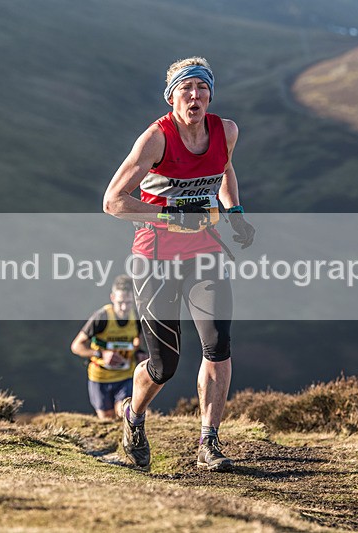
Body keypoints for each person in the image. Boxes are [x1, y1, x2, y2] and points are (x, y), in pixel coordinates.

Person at [103, 57, 255, 471]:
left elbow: (224, 167)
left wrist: (235, 212)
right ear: (171, 97)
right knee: (163, 365)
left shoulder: (226, 131)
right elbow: (113, 202)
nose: (194, 95)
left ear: (210, 95)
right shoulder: (156, 139)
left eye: (202, 88)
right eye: (186, 88)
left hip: (206, 253)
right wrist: (171, 215)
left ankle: (209, 441)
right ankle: (133, 416)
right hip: (155, 259)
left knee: (218, 347)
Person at [70, 275, 147, 420]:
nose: (124, 307)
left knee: (124, 412)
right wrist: (101, 354)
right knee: (107, 419)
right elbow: (76, 346)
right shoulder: (102, 317)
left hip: (125, 377)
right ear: (112, 298)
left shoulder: (137, 317)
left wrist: (140, 353)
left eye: (128, 303)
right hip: (100, 377)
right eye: (120, 302)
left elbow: (138, 341)